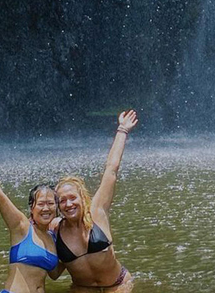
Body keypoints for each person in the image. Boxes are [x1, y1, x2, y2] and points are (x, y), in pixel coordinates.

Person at [0, 139, 62, 293]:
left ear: (56, 207)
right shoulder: (22, 227)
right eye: (41, 203)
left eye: (50, 203)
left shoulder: (53, 237)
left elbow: (54, 274)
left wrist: (79, 252)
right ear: (32, 208)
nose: (46, 208)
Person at [55, 109, 139, 292]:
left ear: (82, 198)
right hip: (82, 288)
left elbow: (111, 169)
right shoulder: (55, 228)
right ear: (58, 206)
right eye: (62, 201)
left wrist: (122, 130)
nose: (69, 204)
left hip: (117, 284)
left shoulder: (97, 211)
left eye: (72, 198)